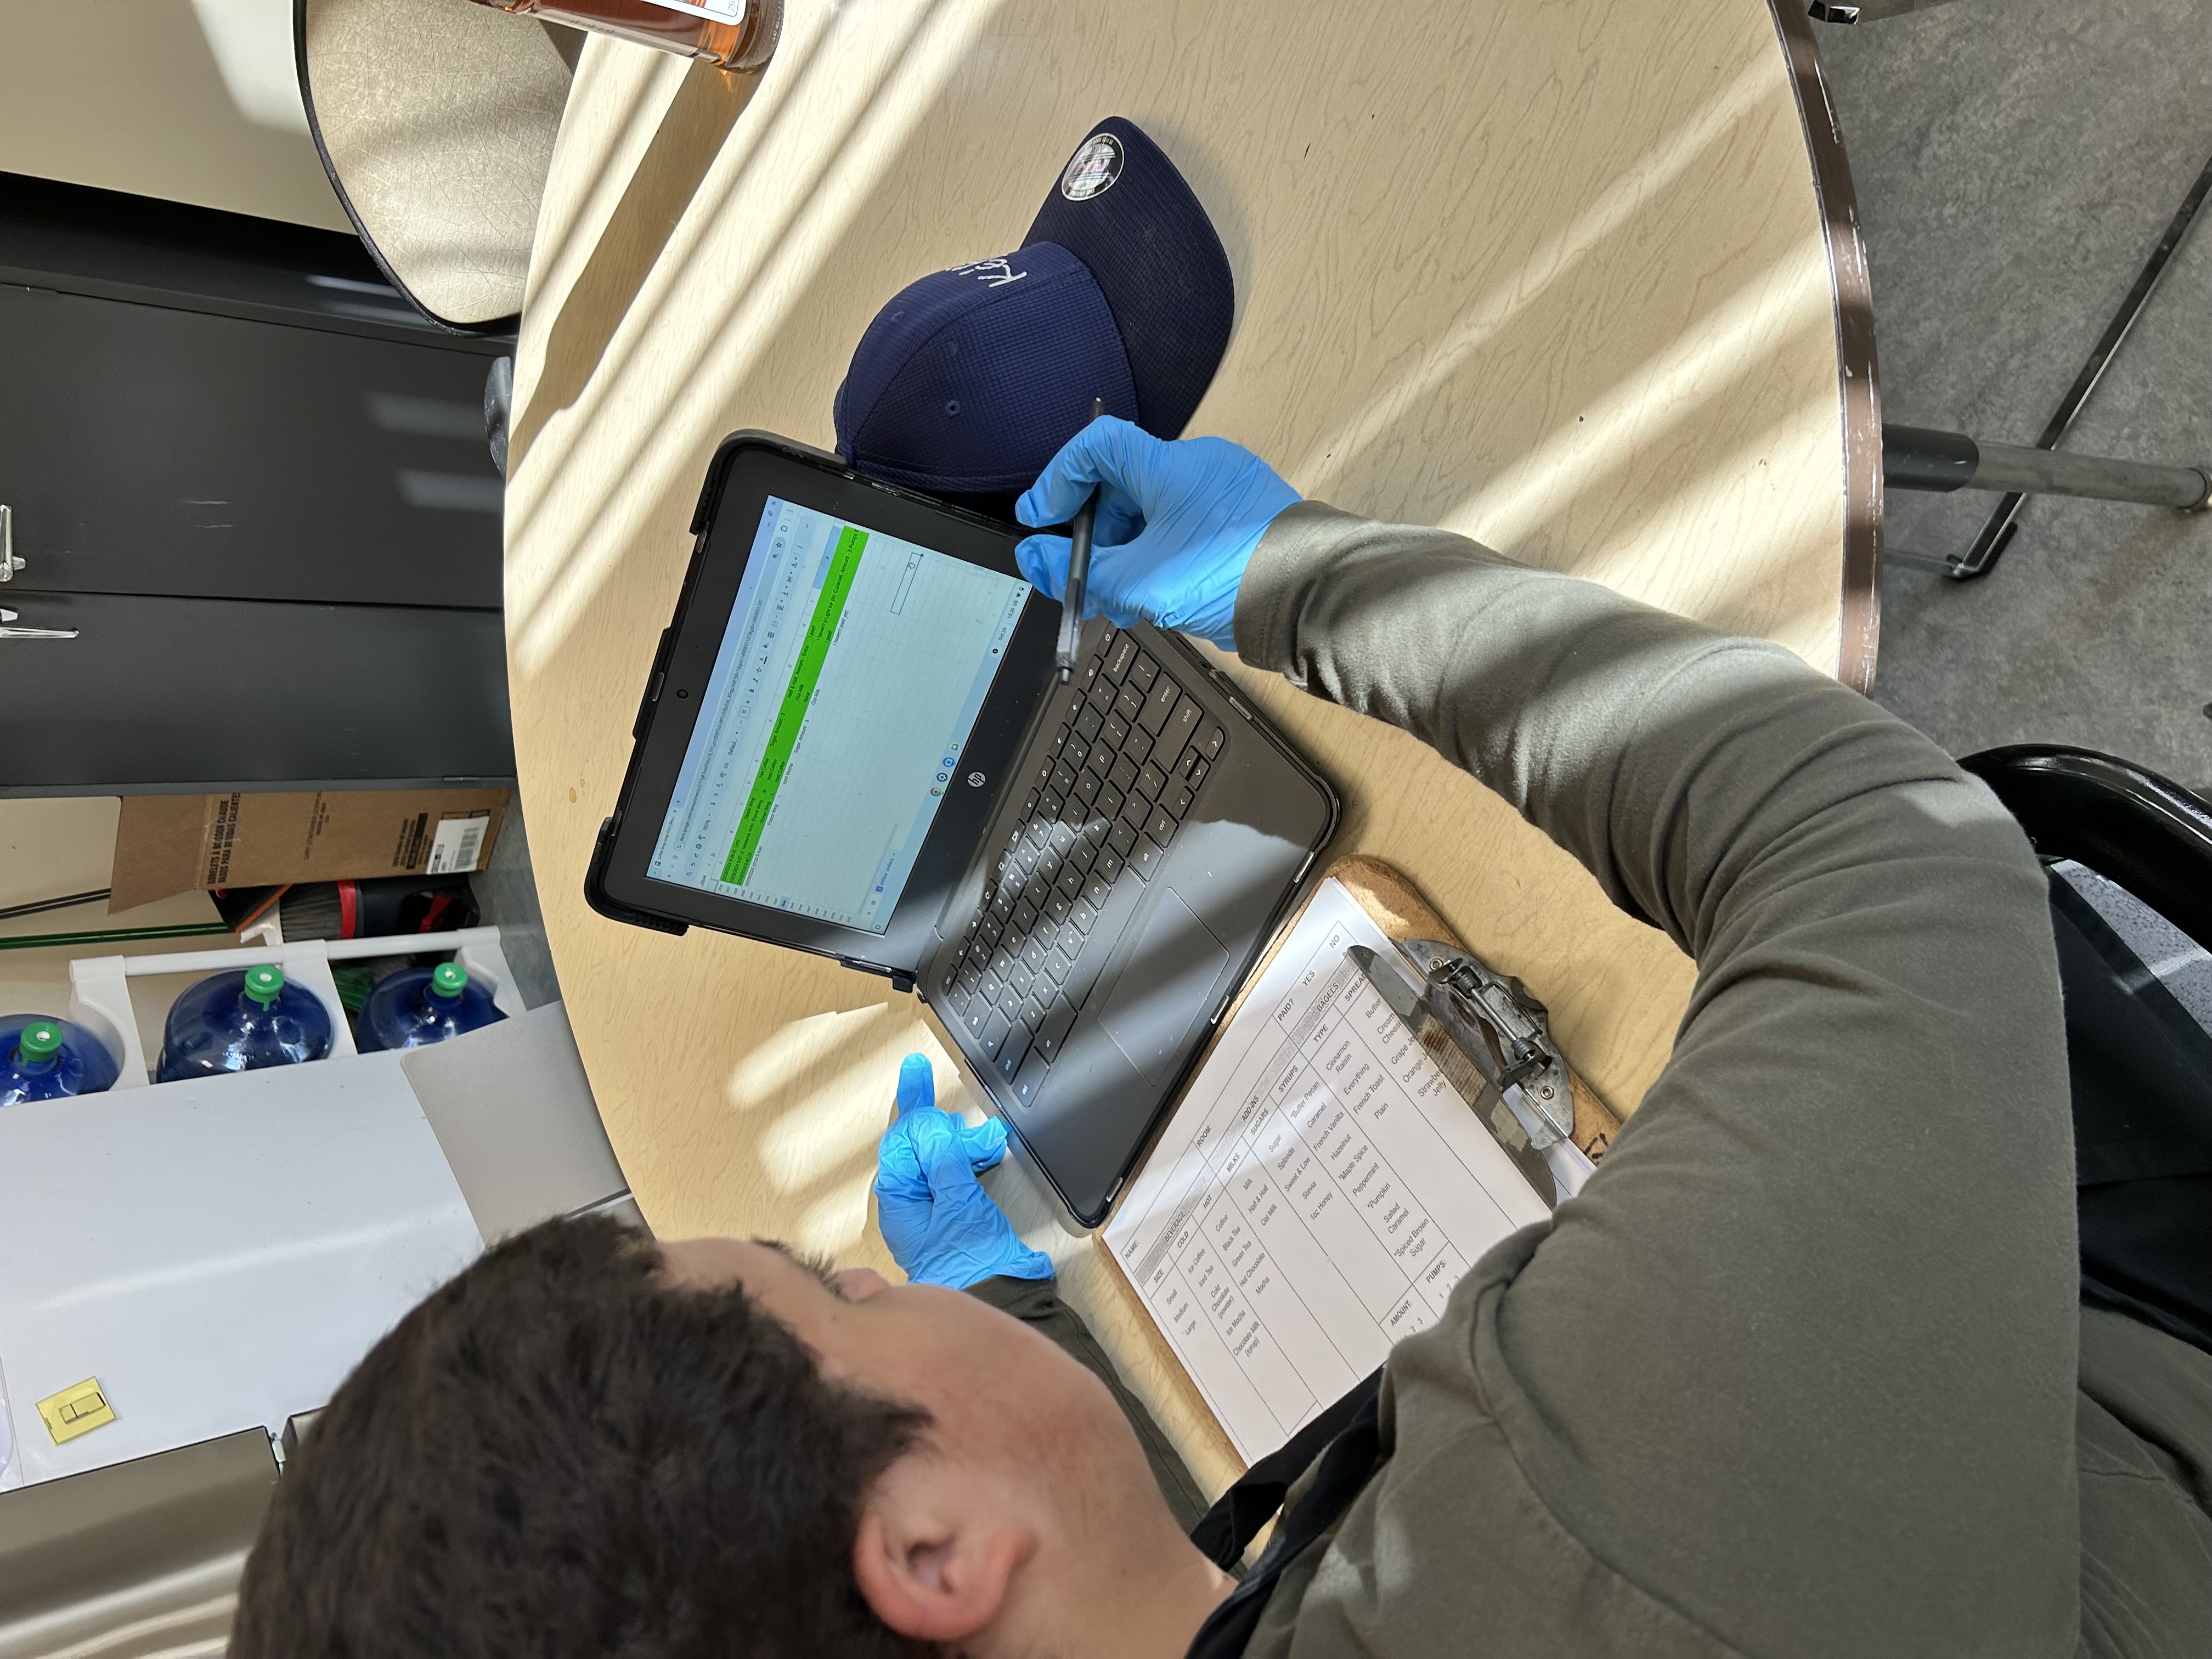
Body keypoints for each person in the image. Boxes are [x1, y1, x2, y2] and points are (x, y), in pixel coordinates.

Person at [232, 422, 2212, 1657]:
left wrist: (1049, 1347)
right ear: (930, 1547)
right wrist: (1297, 575)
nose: (870, 1267)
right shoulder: (1593, 1530)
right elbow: (1883, 854)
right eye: (829, 1290)